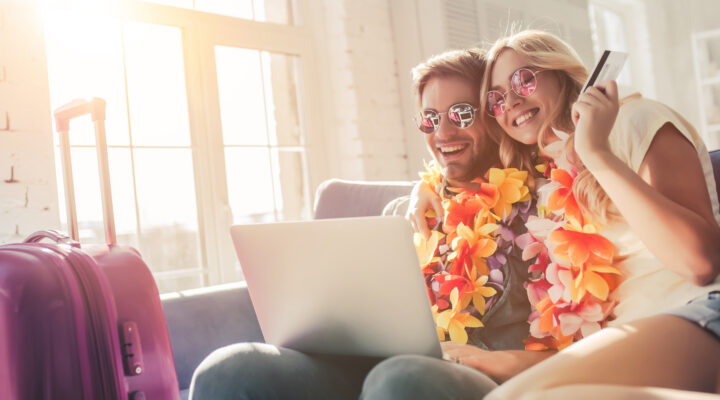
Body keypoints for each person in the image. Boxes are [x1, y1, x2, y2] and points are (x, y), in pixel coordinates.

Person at [189, 48, 532, 400]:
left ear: (493, 114)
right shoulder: (402, 214)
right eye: (430, 118)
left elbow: (581, 345)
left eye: (461, 114)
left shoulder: (534, 216)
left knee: (399, 379)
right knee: (230, 369)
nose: (442, 133)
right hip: (370, 368)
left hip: (470, 379)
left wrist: (496, 359)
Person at [405, 30, 720, 398]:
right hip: (629, 337)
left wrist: (597, 154)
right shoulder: (547, 177)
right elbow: (474, 179)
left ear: (560, 72)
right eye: (496, 99)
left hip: (696, 311)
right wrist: (425, 189)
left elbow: (700, 263)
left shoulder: (634, 118)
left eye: (524, 80)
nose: (512, 102)